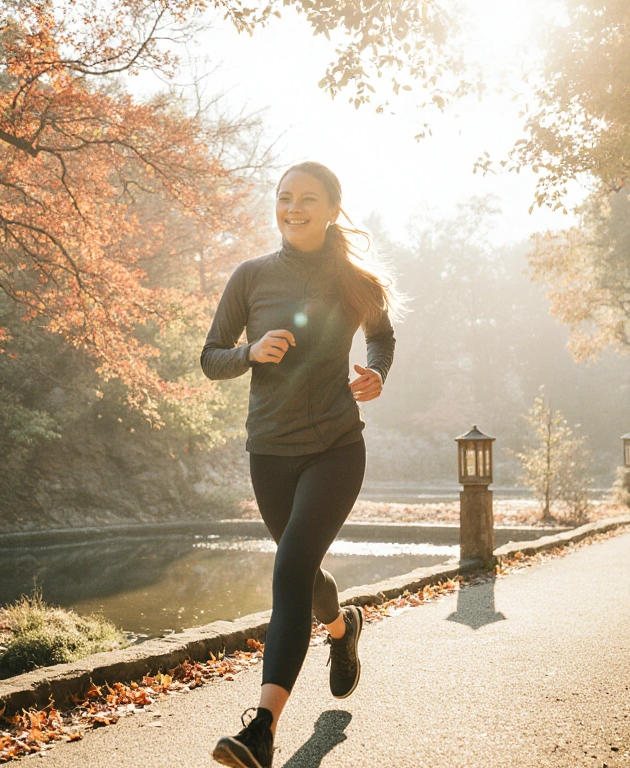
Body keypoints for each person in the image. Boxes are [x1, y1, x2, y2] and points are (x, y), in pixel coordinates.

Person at [201, 161, 402, 768]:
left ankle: (260, 730)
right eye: (284, 198)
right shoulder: (250, 276)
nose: (292, 208)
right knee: (304, 572)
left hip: (337, 448)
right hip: (270, 452)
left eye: (306, 199)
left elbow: (383, 337)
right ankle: (343, 630)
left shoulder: (354, 279)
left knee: (289, 568)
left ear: (332, 208)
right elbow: (211, 358)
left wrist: (376, 374)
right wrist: (249, 353)